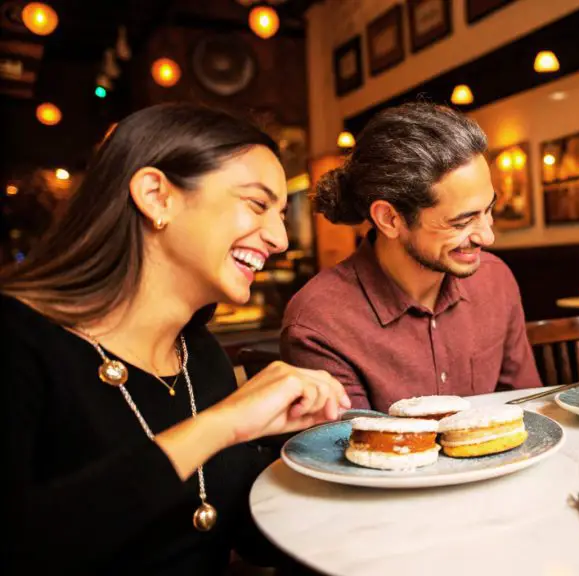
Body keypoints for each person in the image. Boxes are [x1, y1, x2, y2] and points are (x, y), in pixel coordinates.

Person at [0, 103, 349, 575]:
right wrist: (223, 424)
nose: (279, 238)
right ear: (156, 195)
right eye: (257, 203)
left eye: (281, 213)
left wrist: (344, 464)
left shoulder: (197, 356)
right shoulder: (19, 340)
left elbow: (243, 532)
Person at [281, 103, 541, 411]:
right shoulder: (320, 323)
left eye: (489, 211)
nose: (487, 236)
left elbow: (526, 410)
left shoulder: (495, 280)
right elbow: (354, 452)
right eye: (461, 222)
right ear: (390, 219)